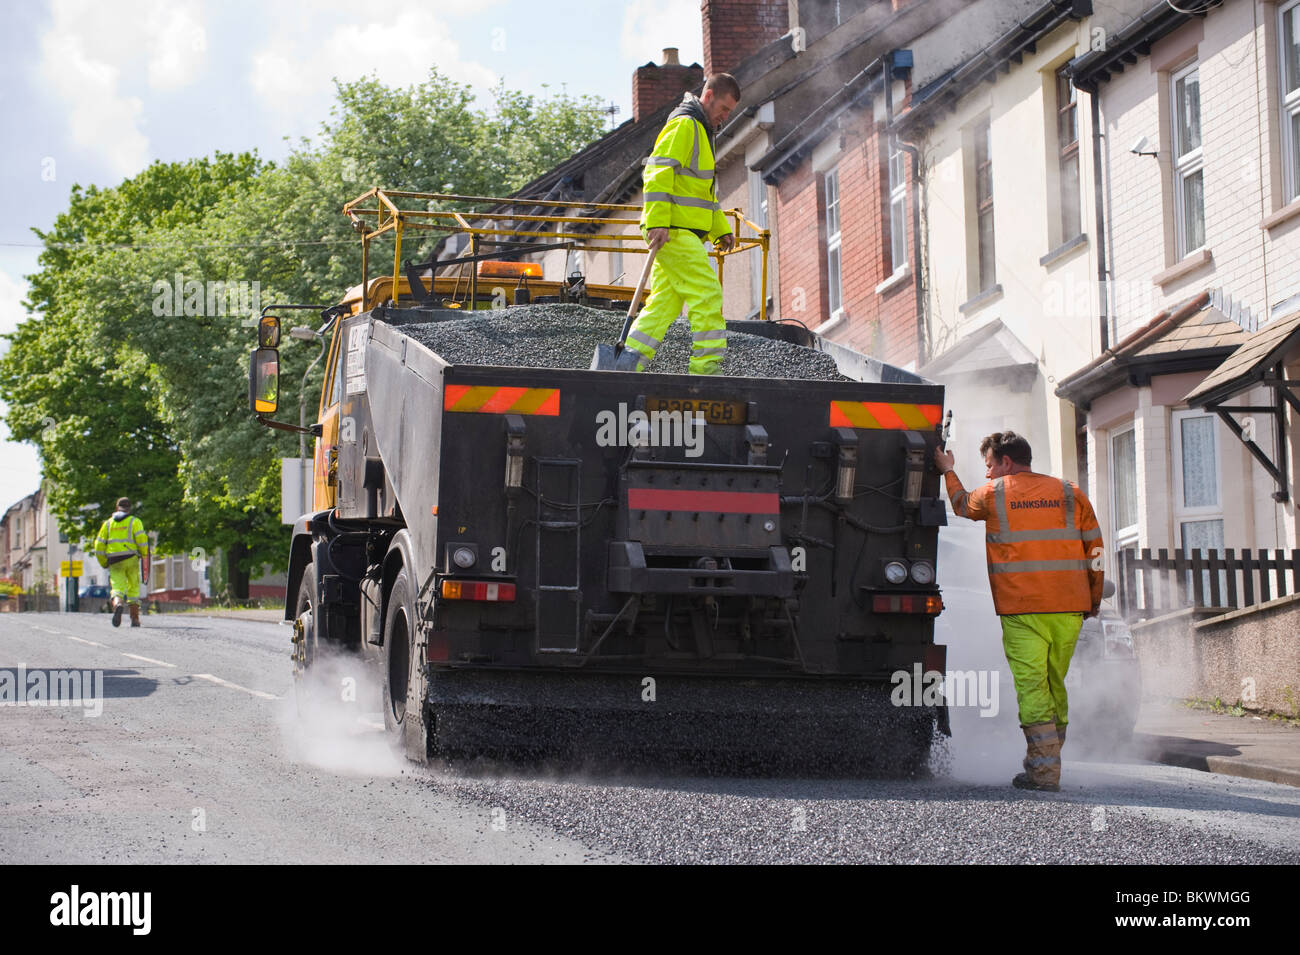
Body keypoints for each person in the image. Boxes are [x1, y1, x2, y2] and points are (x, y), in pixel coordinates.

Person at [934, 431, 1104, 791]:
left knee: (1032, 687)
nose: (988, 474)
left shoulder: (996, 494)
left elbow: (961, 504)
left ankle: (1044, 773)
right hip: (1069, 609)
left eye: (990, 465)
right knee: (1055, 682)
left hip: (1023, 609)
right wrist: (1095, 596)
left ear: (1006, 462)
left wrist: (948, 469)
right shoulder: (1070, 493)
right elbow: (1095, 550)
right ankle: (1048, 760)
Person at [615, 73, 741, 375]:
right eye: (723, 108)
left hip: (678, 232)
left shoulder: (700, 131)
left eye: (729, 112)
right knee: (707, 294)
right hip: (673, 232)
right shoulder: (686, 125)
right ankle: (707, 371)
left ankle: (625, 366)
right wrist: (658, 222)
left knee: (663, 306)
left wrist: (719, 228)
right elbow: (657, 173)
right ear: (708, 96)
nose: (725, 117)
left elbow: (700, 195)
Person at [94, 497, 150, 628]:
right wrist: (143, 554)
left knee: (117, 587)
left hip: (114, 560)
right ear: (129, 508)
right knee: (133, 587)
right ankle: (135, 618)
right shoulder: (135, 522)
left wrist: (103, 562)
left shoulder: (108, 524)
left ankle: (118, 604)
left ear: (117, 508)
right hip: (131, 558)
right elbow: (142, 540)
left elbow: (98, 546)